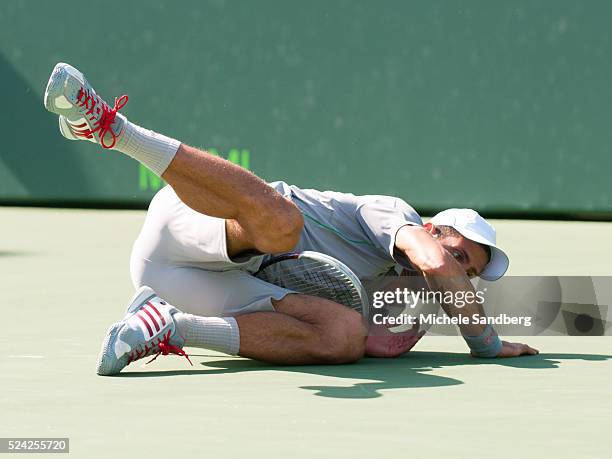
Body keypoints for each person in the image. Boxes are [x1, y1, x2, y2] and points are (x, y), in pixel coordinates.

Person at [43, 63, 538, 376]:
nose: (459, 274)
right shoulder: (397, 216)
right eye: (460, 256)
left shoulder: (397, 296)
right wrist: (485, 343)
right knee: (283, 225)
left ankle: (163, 327)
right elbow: (433, 262)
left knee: (342, 339)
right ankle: (111, 128)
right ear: (431, 229)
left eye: (468, 273)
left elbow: (368, 340)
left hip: (184, 284)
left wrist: (379, 334)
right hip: (194, 222)